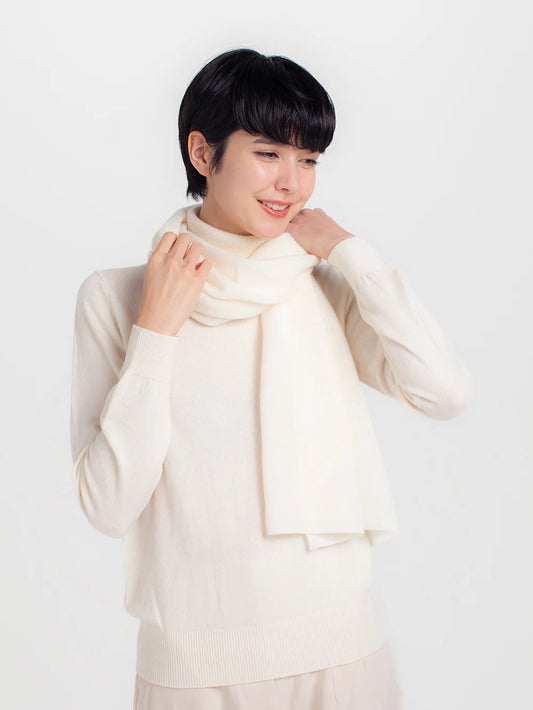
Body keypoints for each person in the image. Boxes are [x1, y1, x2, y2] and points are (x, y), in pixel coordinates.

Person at [70, 48, 474, 709]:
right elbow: (109, 506)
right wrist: (156, 332)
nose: (291, 182)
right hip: (195, 671)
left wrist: (349, 251)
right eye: (268, 153)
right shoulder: (117, 298)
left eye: (308, 160)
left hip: (343, 652)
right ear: (203, 153)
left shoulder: (322, 286)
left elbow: (445, 392)